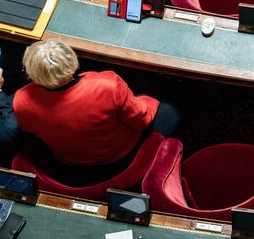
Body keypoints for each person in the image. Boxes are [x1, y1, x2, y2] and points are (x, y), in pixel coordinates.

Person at [13, 40, 181, 182]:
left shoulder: (21, 100)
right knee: (171, 109)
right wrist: (145, 99)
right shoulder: (106, 85)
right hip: (121, 157)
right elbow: (142, 120)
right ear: (72, 60)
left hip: (70, 165)